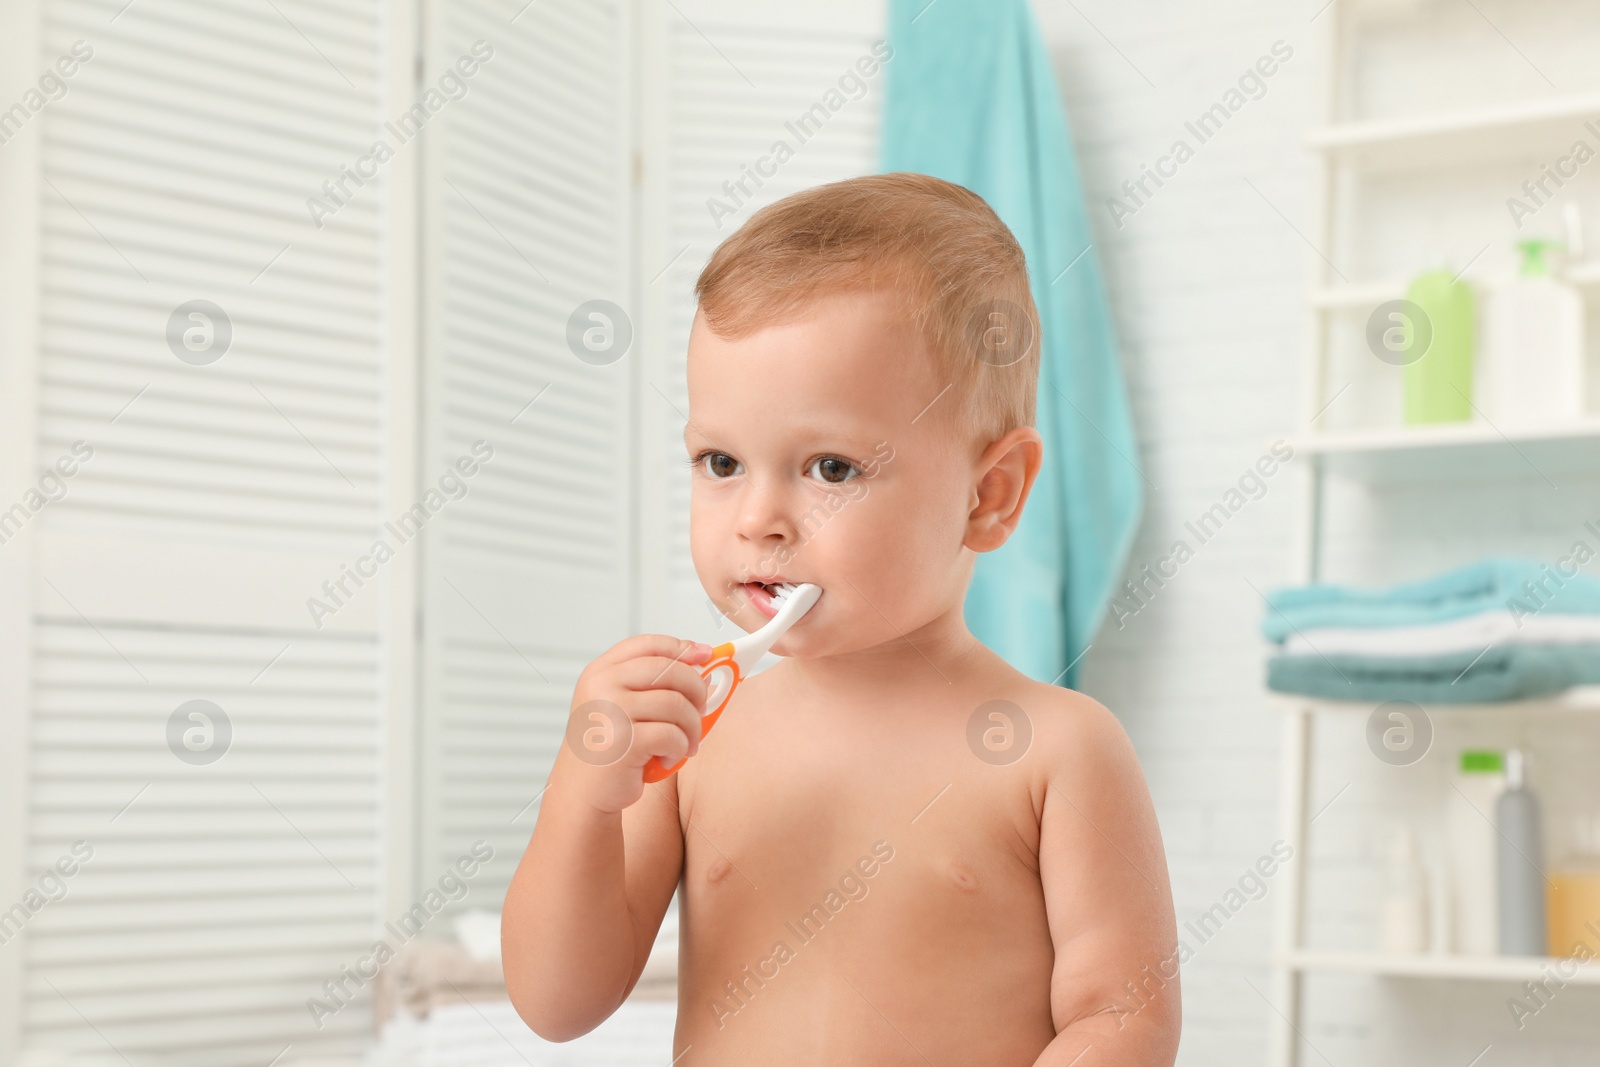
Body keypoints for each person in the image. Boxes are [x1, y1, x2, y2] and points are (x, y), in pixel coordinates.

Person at [503, 172, 1179, 1065]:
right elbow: (558, 1002)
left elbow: (1120, 1018)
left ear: (989, 494)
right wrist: (583, 794)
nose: (758, 519)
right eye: (721, 460)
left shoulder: (1058, 748)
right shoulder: (695, 736)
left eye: (830, 468)